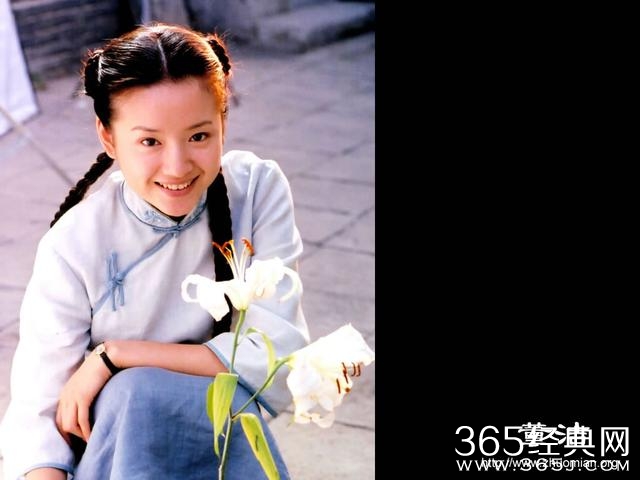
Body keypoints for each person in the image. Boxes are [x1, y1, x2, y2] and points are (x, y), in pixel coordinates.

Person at [0, 22, 309, 480]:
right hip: (120, 453)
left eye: (199, 136)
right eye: (150, 141)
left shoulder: (256, 189)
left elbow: (276, 356)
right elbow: (39, 410)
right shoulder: (74, 242)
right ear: (108, 137)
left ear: (223, 123)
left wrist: (116, 356)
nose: (177, 166)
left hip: (217, 441)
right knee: (134, 394)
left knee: (139, 386)